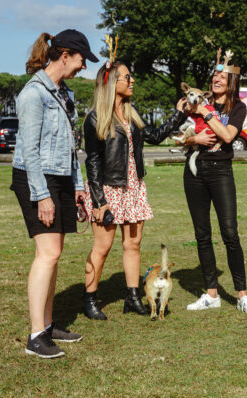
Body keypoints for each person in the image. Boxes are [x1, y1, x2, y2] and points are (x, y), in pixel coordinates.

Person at [11, 29, 98, 358]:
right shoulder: (33, 93)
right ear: (65, 56)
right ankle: (36, 337)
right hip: (36, 177)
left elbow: (72, 147)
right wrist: (42, 195)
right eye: (81, 60)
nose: (83, 67)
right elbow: (29, 150)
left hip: (60, 177)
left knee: (55, 253)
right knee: (46, 254)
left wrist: (77, 186)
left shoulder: (64, 93)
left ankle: (48, 325)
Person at [81, 60, 186, 320]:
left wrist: (178, 114)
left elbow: (155, 136)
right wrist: (99, 201)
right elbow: (92, 162)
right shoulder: (95, 117)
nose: (132, 81)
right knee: (102, 246)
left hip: (133, 187)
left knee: (133, 244)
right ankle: (90, 299)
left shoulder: (132, 111)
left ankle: (132, 297)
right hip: (107, 189)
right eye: (127, 77)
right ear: (111, 83)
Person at [177, 49, 247, 314]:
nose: (216, 79)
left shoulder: (237, 107)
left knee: (230, 233)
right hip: (195, 172)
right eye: (214, 75)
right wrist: (193, 139)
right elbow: (178, 135)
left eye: (222, 76)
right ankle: (211, 294)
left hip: (221, 171)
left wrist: (205, 112)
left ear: (231, 81)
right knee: (202, 235)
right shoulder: (196, 100)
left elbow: (227, 136)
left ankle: (242, 295)